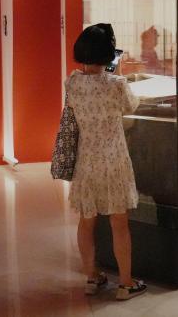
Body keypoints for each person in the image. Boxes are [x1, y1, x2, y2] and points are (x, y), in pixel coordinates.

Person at [65, 23, 146, 301]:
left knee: (86, 221)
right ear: (108, 53)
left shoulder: (72, 82)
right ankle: (125, 283)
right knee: (118, 222)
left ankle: (91, 277)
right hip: (114, 160)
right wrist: (118, 73)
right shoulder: (117, 84)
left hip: (86, 160)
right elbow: (131, 105)